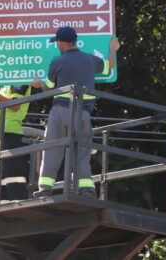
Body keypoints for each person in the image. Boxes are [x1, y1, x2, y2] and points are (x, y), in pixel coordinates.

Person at [31, 26, 120, 198]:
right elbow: (109, 68)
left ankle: (45, 189)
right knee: (82, 151)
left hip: (60, 110)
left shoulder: (57, 61)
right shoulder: (90, 60)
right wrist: (113, 50)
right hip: (83, 113)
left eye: (57, 42)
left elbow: (49, 88)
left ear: (63, 43)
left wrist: (38, 83)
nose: (56, 45)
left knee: (52, 148)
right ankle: (87, 190)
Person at [0, 84, 31, 203]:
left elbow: (15, 106)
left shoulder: (20, 81)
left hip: (11, 134)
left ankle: (18, 205)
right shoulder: (5, 85)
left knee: (12, 173)